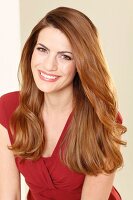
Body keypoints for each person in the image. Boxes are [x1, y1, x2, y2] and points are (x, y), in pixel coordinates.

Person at [0, 6, 127, 200]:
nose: (49, 65)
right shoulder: (8, 108)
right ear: (31, 52)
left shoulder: (102, 119)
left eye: (65, 56)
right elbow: (9, 195)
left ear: (81, 64)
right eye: (42, 50)